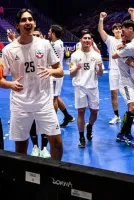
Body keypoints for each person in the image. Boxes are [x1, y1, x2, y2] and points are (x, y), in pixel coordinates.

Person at [0, 8, 63, 160]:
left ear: (34, 23)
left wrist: (50, 71)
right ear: (17, 25)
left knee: (57, 144)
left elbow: (60, 70)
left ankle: (54, 176)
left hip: (44, 103)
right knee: (21, 147)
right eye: (23, 20)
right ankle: (22, 179)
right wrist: (10, 84)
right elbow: (0, 79)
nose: (27, 22)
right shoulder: (8, 50)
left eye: (30, 19)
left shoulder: (45, 45)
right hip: (20, 105)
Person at [98, 8, 134, 124]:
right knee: (113, 93)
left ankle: (130, 114)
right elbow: (100, 30)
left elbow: (133, 27)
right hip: (113, 70)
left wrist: (132, 14)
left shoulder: (127, 40)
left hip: (125, 69)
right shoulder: (109, 40)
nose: (118, 30)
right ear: (113, 30)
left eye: (120, 28)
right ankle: (116, 116)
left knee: (127, 92)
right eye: (116, 28)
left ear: (122, 30)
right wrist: (101, 18)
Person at [69, 29, 103, 148]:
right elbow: (71, 74)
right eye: (85, 38)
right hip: (80, 87)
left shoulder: (96, 55)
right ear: (81, 40)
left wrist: (100, 67)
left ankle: (90, 126)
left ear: (92, 41)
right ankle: (81, 137)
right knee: (81, 112)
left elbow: (100, 74)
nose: (87, 40)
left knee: (94, 112)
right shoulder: (74, 55)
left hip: (93, 87)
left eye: (89, 38)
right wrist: (76, 68)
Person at [48, 24, 75, 128]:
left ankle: (53, 123)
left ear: (53, 34)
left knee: (53, 99)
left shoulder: (55, 45)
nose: (48, 33)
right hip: (55, 73)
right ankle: (67, 116)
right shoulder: (57, 43)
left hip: (55, 74)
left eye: (50, 32)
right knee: (56, 96)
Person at [29, 27, 51, 158]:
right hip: (30, 92)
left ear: (42, 36)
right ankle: (35, 147)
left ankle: (44, 148)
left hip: (44, 91)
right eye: (34, 35)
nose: (36, 37)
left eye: (38, 35)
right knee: (32, 121)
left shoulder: (47, 49)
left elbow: (57, 69)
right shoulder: (25, 50)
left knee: (43, 121)